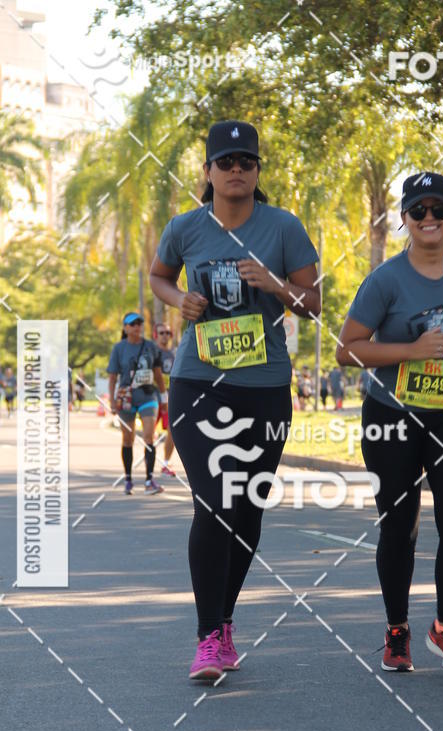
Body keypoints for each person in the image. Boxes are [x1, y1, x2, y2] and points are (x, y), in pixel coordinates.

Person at [149, 120, 320, 681]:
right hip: (198, 383)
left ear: (257, 171)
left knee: (246, 510)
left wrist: (274, 285)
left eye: (247, 161)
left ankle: (223, 622)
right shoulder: (185, 227)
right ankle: (206, 638)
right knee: (214, 504)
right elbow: (159, 277)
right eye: (227, 162)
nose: (237, 169)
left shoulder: (284, 227)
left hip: (265, 386)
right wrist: (180, 300)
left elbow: (313, 303)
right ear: (208, 172)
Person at [336, 172, 443, 675]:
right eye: (419, 211)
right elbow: (347, 349)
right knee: (400, 526)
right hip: (391, 415)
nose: (430, 219)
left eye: (439, 210)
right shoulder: (385, 280)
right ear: (405, 221)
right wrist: (410, 351)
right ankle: (397, 631)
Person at [107, 312, 167, 495]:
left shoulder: (150, 347)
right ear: (125, 328)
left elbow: (158, 374)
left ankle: (149, 480)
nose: (137, 327)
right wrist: (112, 401)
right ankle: (128, 479)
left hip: (148, 397)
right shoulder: (119, 349)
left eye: (139, 324)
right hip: (126, 399)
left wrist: (164, 398)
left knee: (150, 436)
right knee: (128, 439)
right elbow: (112, 377)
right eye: (132, 324)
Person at [154, 322, 177, 476]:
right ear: (156, 335)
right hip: (152, 396)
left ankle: (166, 464)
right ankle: (149, 468)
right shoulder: (151, 352)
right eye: (161, 333)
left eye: (167, 333)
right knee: (150, 432)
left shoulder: (174, 354)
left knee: (172, 430)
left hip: (171, 397)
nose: (165, 336)